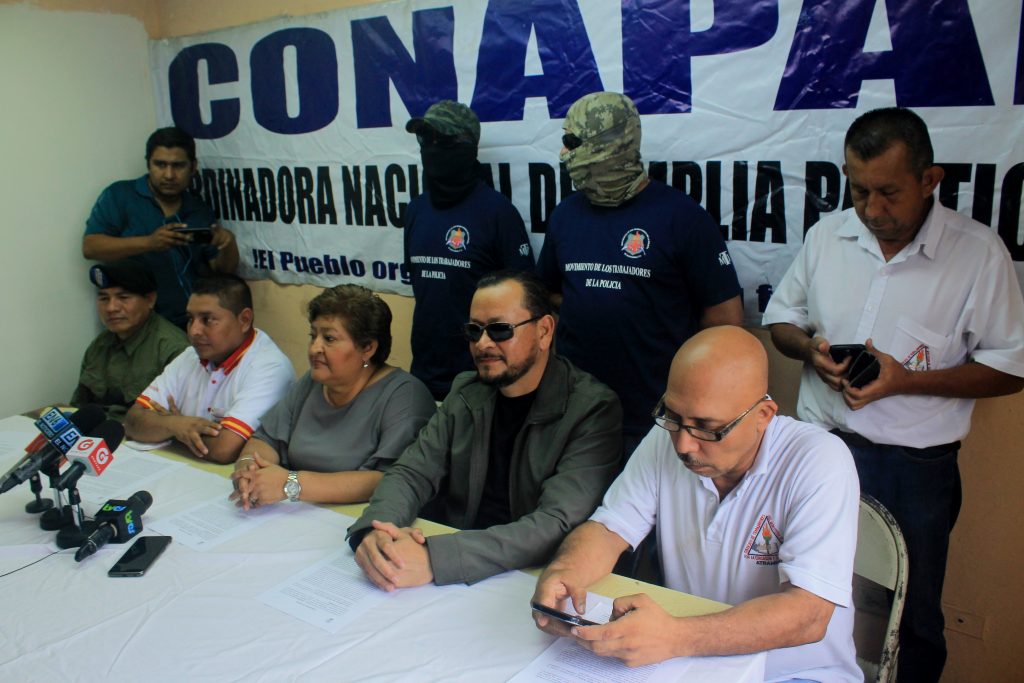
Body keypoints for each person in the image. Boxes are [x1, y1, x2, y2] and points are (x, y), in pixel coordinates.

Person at [763, 107, 1024, 682]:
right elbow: (782, 320)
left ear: (930, 180)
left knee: (913, 616)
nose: (873, 210)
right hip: (818, 450)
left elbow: (1010, 368)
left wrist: (907, 381)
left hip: (915, 469)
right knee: (798, 589)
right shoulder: (828, 235)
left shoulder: (977, 253)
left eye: (889, 193)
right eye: (859, 191)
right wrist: (811, 353)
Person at [532, 326, 861, 681]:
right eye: (673, 416)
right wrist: (565, 572)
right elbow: (609, 529)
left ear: (763, 415)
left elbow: (809, 615)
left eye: (707, 428)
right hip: (691, 662)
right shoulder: (666, 438)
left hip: (791, 673)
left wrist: (675, 636)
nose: (683, 445)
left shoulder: (818, 460)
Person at [348, 270, 622, 589]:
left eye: (500, 329)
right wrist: (378, 529)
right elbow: (411, 473)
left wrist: (437, 559)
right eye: (474, 330)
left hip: (529, 580)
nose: (483, 343)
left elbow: (555, 524)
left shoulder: (592, 410)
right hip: (453, 570)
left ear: (545, 331)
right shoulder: (466, 391)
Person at [537, 92, 742, 458]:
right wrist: (596, 306)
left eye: (572, 141)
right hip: (576, 414)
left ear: (607, 145)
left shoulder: (682, 218)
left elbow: (726, 321)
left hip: (655, 422)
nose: (564, 153)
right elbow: (547, 292)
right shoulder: (565, 216)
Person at [229, 285, 435, 509]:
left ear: (367, 348)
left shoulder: (404, 395)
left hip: (360, 518)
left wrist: (291, 484)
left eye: (329, 338)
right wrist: (248, 470)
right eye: (313, 336)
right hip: (295, 514)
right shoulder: (313, 382)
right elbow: (265, 440)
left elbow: (390, 479)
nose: (314, 348)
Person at [404, 100, 535, 401]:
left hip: (484, 381)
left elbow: (526, 302)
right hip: (423, 377)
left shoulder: (497, 213)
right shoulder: (416, 211)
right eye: (426, 139)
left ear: (467, 146)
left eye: (443, 140)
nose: (432, 148)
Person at [125, 274, 295, 464]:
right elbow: (133, 421)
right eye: (190, 319)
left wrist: (168, 428)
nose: (194, 331)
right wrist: (176, 424)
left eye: (207, 320)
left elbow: (224, 449)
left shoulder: (270, 368)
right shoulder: (190, 355)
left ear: (244, 320)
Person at [82, 126, 239, 328]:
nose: (169, 175)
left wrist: (227, 243)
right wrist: (149, 243)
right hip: (140, 324)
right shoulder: (120, 195)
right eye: (160, 164)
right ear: (148, 164)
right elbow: (91, 247)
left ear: (193, 167)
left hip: (192, 322)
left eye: (178, 166)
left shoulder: (198, 208)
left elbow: (222, 271)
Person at [72, 260, 189, 421]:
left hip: (141, 434)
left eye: (123, 297)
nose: (111, 308)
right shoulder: (99, 345)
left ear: (150, 300)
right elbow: (78, 406)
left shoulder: (174, 349)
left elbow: (176, 421)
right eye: (104, 298)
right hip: (97, 431)